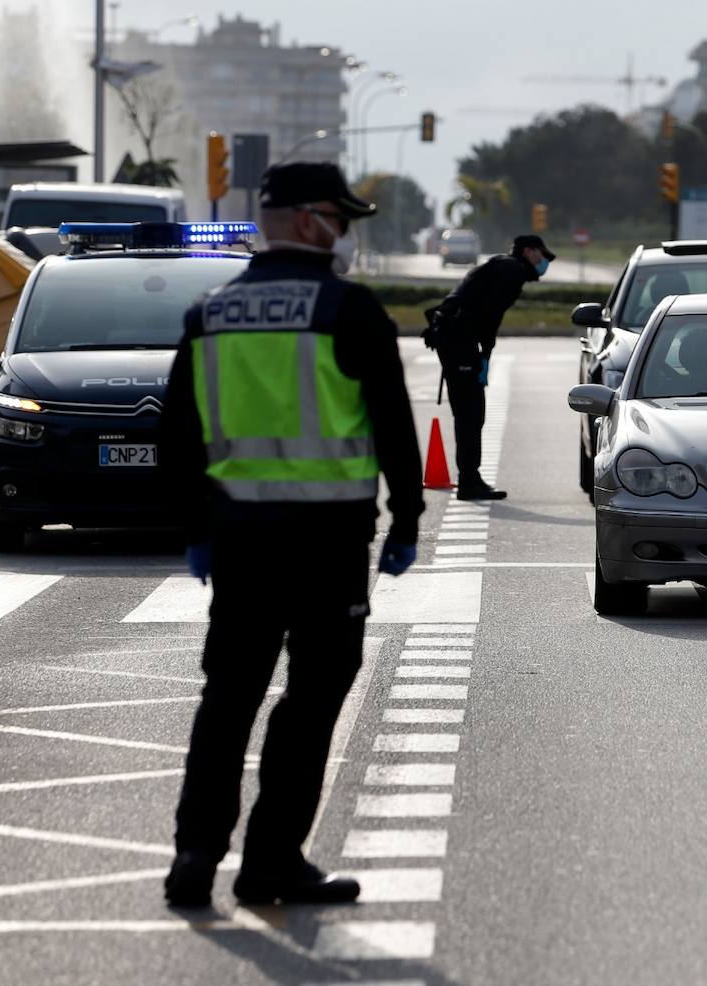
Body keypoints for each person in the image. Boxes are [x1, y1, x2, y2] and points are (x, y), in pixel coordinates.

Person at [159, 161, 424, 908]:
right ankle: (271, 862)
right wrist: (407, 519)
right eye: (339, 220)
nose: (343, 233)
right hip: (328, 543)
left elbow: (178, 434)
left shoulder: (209, 313)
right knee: (310, 700)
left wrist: (196, 529)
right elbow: (393, 425)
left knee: (228, 697)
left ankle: (194, 857)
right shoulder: (349, 309)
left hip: (239, 539)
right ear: (309, 220)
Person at [424, 233, 555, 500]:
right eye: (541, 255)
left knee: (471, 412)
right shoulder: (512, 271)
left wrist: (484, 354)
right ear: (528, 252)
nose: (543, 262)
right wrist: (486, 353)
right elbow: (490, 314)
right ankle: (468, 482)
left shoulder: (504, 265)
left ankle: (470, 478)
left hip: (456, 338)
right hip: (458, 341)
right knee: (470, 413)